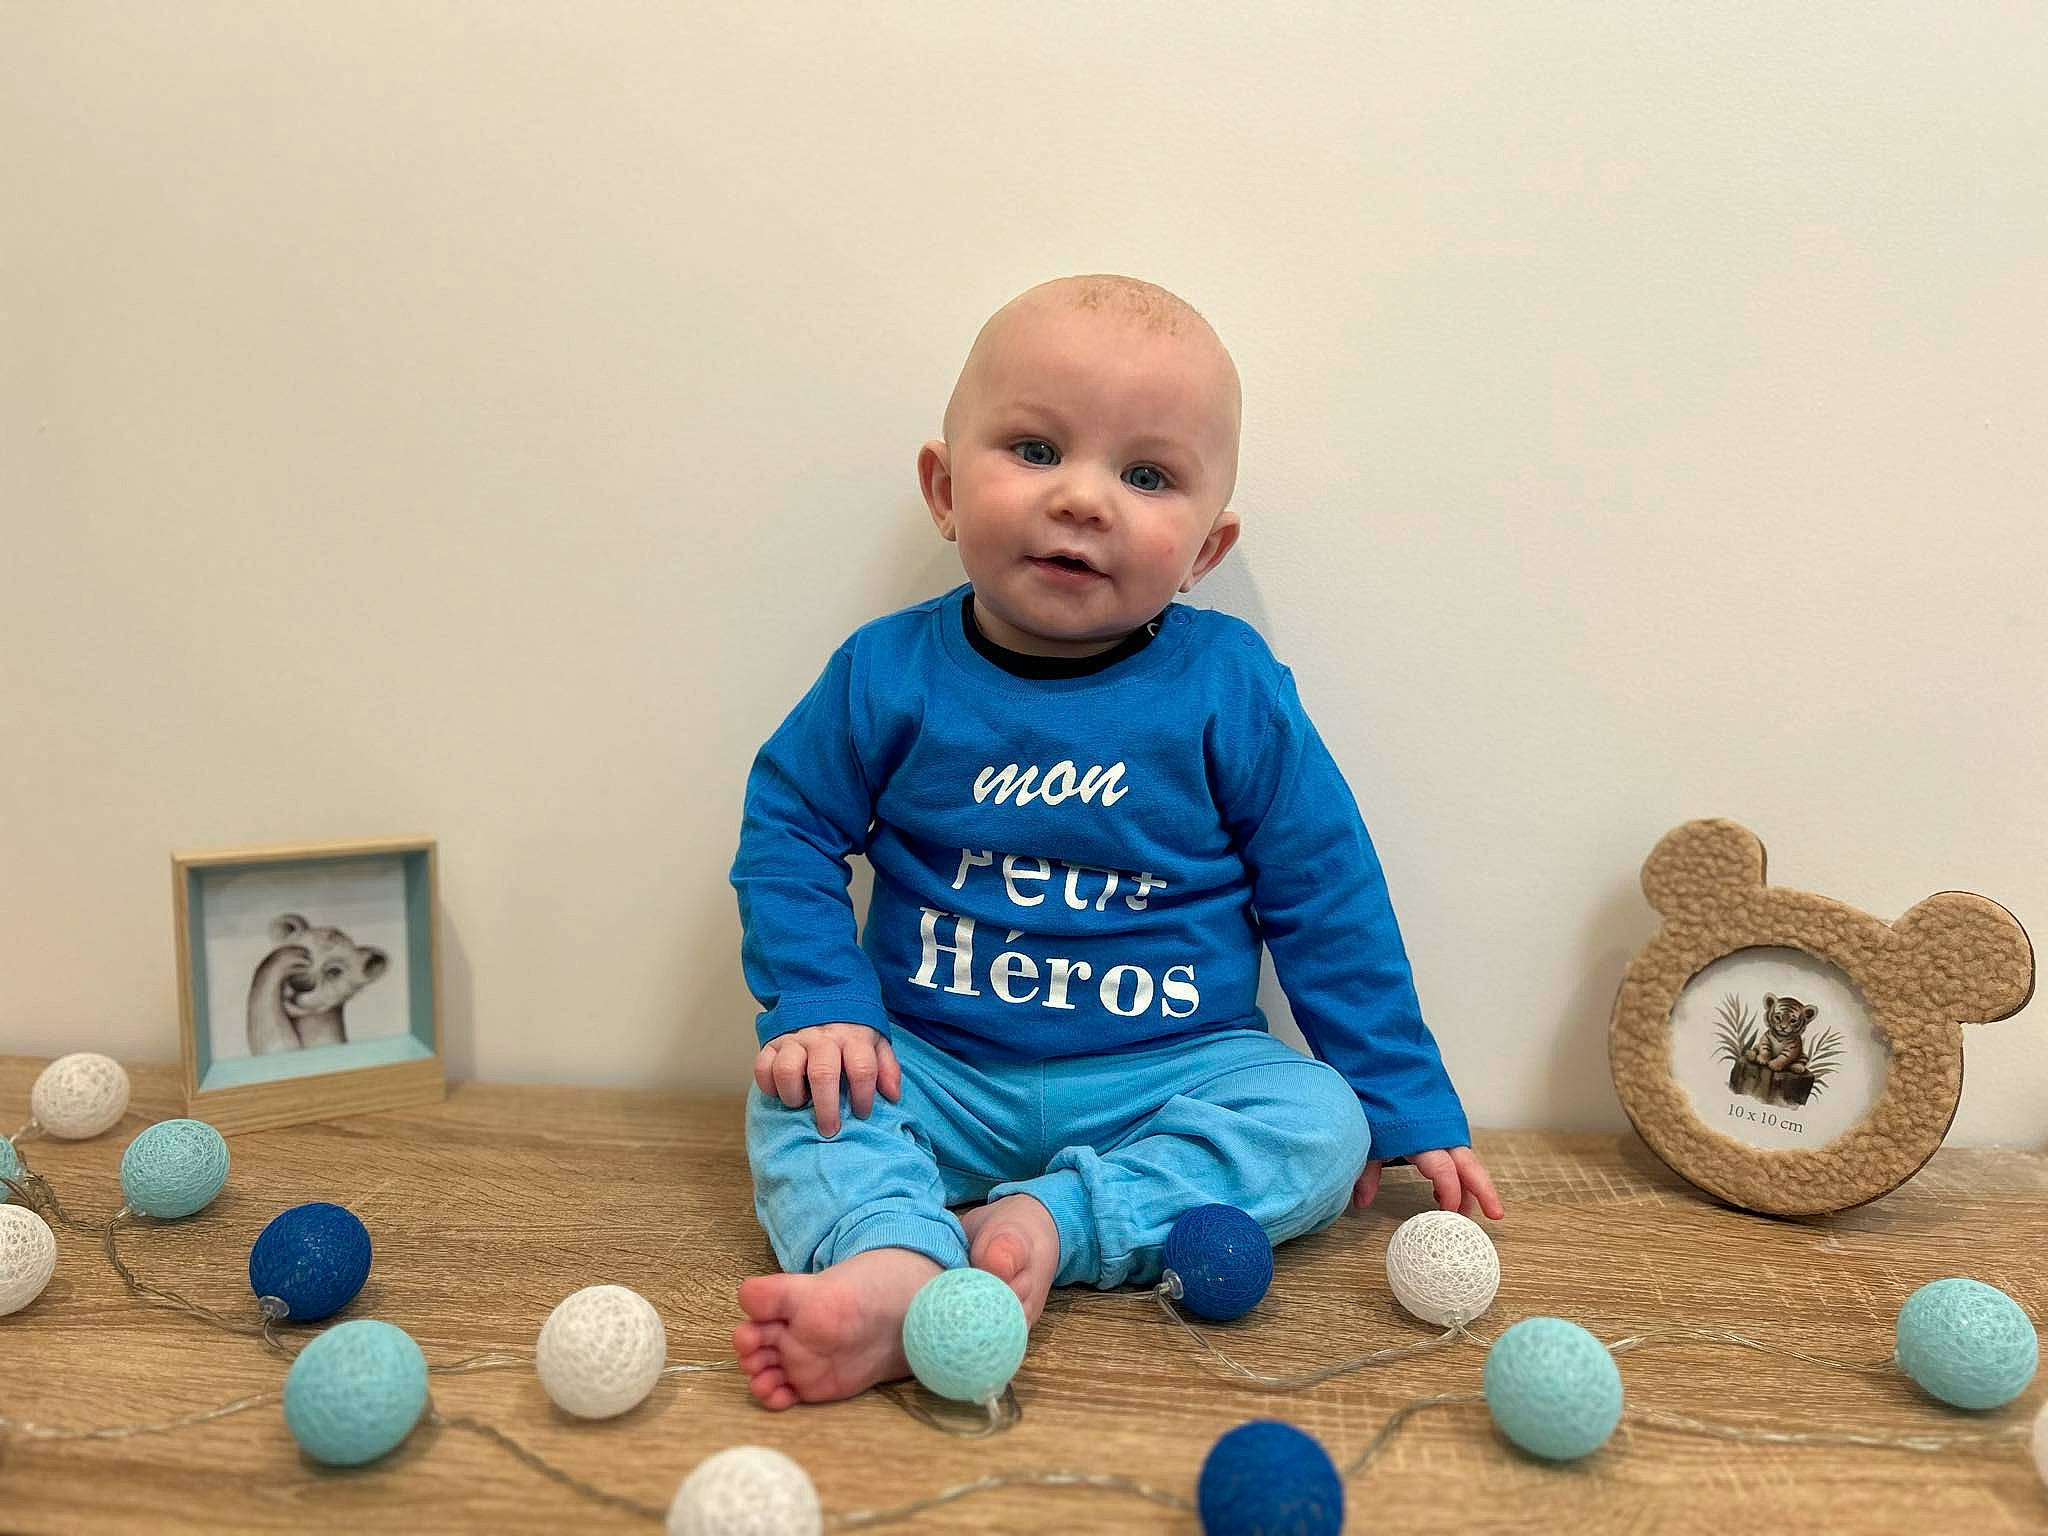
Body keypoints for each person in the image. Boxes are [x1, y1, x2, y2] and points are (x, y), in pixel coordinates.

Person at [728, 274, 1503, 1410]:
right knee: (799, 1093)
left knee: (1322, 1126)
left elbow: (1324, 894)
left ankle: (1048, 1224)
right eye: (1035, 449)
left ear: (1202, 548)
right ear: (944, 489)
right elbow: (788, 826)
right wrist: (822, 1003)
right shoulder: (884, 675)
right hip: (935, 1068)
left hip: (1167, 1082)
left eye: (1145, 476)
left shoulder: (1227, 687)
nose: (1083, 499)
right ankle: (891, 1259)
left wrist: (1403, 1101)